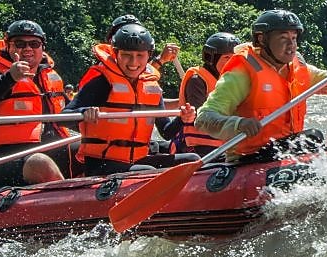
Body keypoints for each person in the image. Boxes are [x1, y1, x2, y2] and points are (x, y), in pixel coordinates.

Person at [194, 9, 327, 162]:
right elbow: (204, 119)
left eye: (294, 37)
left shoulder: (298, 68)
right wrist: (238, 123)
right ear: (262, 39)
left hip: (285, 151)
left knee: (322, 140)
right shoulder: (242, 73)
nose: (291, 44)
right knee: (312, 137)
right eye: (283, 37)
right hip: (249, 158)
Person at [64, 23, 200, 176]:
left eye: (140, 55)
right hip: (102, 163)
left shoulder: (151, 87)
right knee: (147, 172)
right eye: (127, 55)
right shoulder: (102, 82)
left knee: (192, 159)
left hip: (137, 160)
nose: (133, 62)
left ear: (148, 55)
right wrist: (84, 112)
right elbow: (64, 117)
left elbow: (166, 131)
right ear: (116, 54)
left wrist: (183, 119)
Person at [0, 20, 71, 187]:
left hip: (46, 149)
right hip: (2, 158)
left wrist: (88, 112)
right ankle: (70, 207)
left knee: (88, 150)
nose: (28, 48)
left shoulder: (49, 77)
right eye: (20, 43)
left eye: (34, 43)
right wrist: (10, 78)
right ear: (9, 46)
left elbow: (70, 113)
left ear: (42, 48)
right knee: (40, 163)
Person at [176, 31, 241, 154]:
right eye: (227, 57)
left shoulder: (232, 81)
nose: (231, 62)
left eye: (234, 58)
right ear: (211, 59)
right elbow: (201, 118)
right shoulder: (197, 80)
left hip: (225, 145)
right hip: (197, 148)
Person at [78, 14, 180, 89]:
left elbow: (150, 104)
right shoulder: (100, 75)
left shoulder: (141, 70)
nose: (132, 38)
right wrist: (159, 60)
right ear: (112, 41)